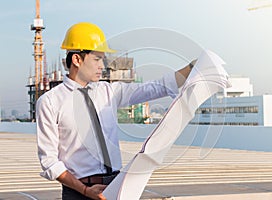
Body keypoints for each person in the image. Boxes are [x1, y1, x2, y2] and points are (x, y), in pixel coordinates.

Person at [36, 22, 195, 200]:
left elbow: (155, 87)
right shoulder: (50, 102)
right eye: (97, 59)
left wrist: (190, 69)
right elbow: (49, 161)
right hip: (79, 192)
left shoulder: (108, 92)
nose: (102, 66)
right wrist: (85, 191)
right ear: (77, 60)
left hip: (116, 187)